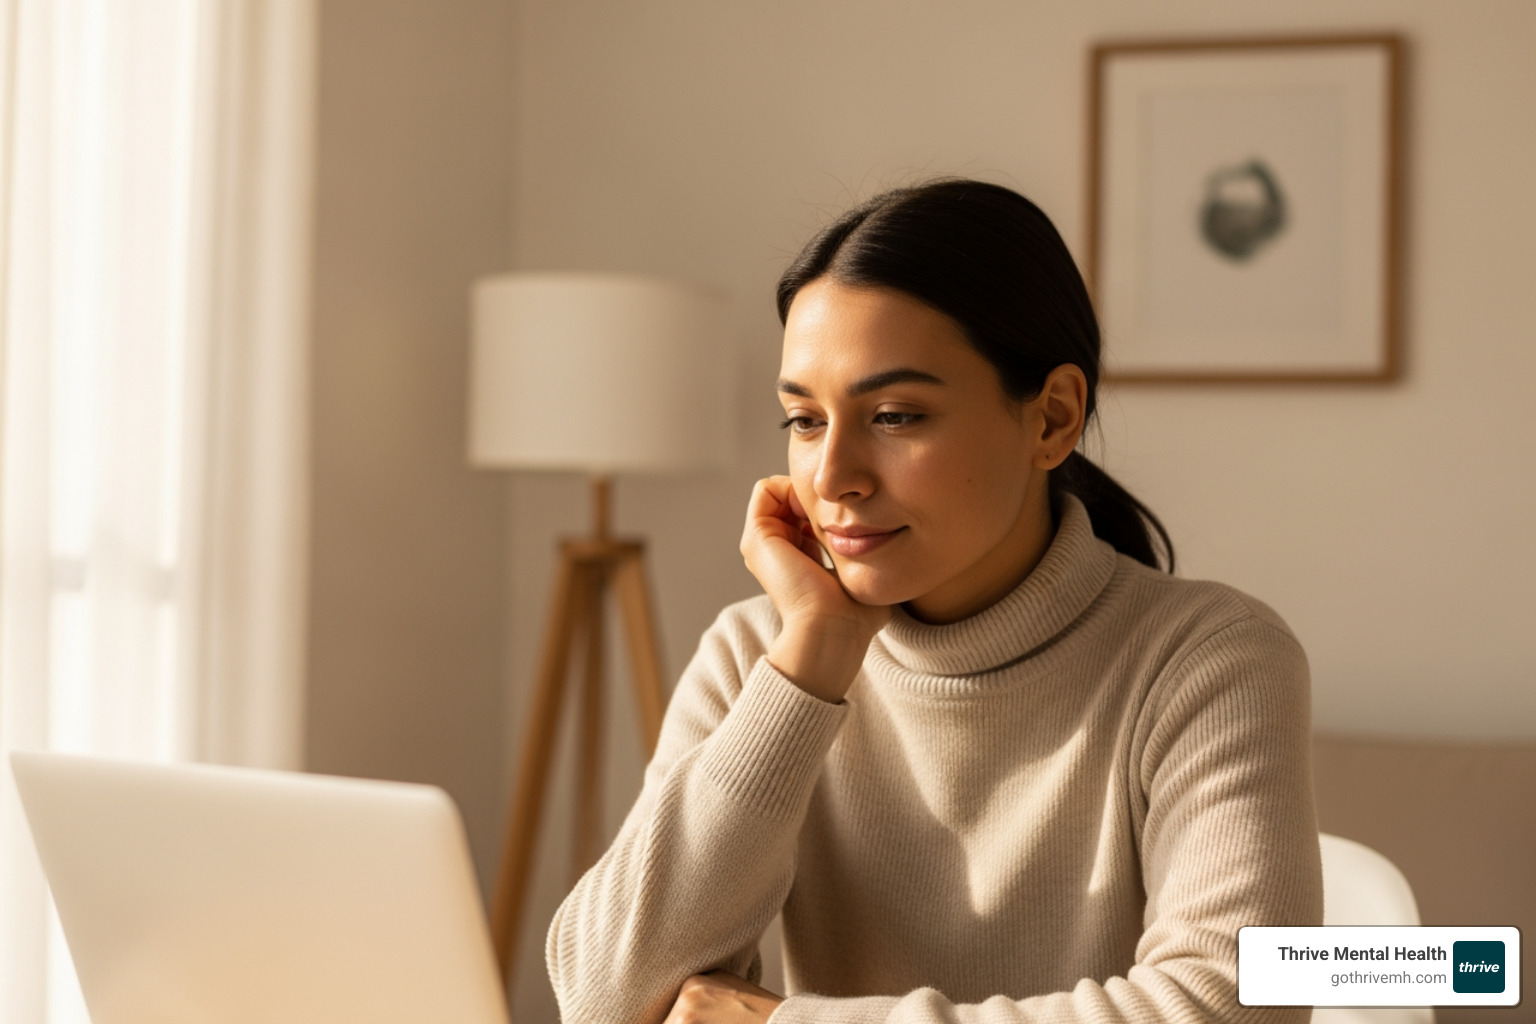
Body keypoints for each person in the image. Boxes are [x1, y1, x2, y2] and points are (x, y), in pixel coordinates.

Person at [546, 179, 1322, 1024]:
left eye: (895, 415)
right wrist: (810, 667)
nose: (834, 476)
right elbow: (602, 1001)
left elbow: (1237, 1007)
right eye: (804, 421)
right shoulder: (756, 656)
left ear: (1053, 418)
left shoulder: (1208, 658)